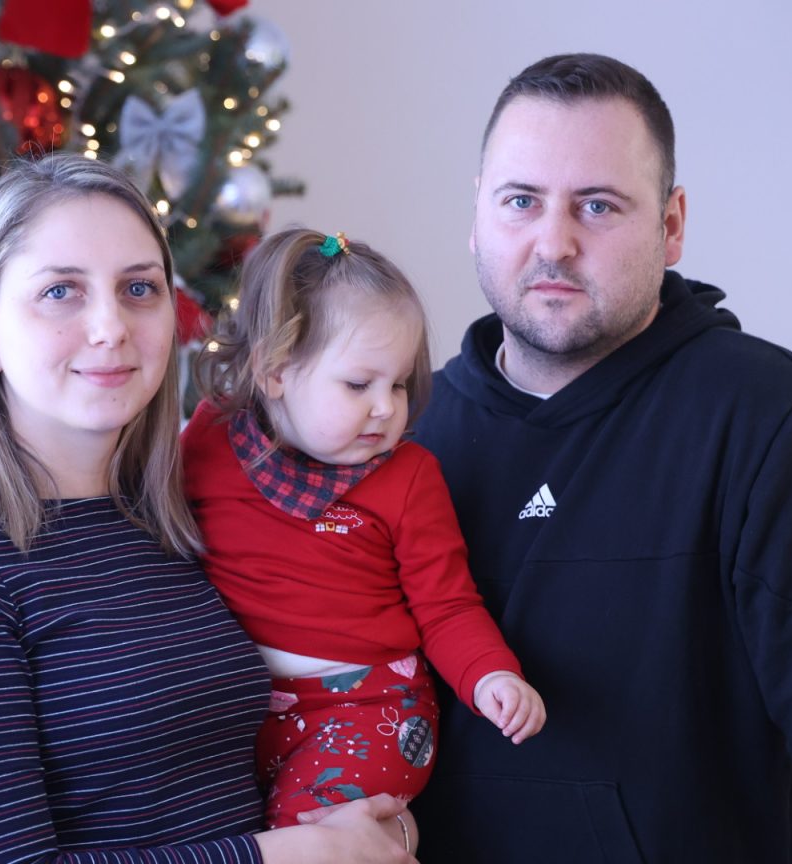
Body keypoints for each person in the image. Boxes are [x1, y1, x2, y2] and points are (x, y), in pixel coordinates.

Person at [408, 53, 792, 863]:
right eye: (521, 201)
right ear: (478, 216)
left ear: (672, 224)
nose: (554, 242)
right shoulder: (403, 435)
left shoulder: (761, 412)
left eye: (598, 205)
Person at [0, 155, 415, 864]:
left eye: (138, 288)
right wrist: (290, 856)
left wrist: (383, 830)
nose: (111, 326)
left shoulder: (179, 512)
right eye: (60, 291)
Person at [182, 228, 546, 829]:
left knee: (309, 841)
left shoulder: (408, 476)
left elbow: (447, 605)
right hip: (238, 711)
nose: (386, 408)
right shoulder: (211, 441)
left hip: (370, 710)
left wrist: (490, 675)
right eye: (358, 384)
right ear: (274, 371)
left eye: (397, 384)